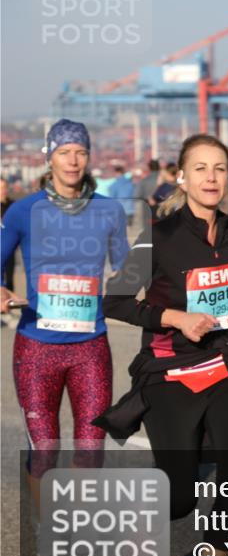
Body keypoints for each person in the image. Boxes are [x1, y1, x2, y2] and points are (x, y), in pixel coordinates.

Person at [94, 134, 228, 556]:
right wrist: (173, 318)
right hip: (170, 370)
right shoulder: (161, 234)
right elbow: (113, 300)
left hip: (224, 366)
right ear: (182, 177)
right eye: (200, 169)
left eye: (219, 168)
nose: (211, 177)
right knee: (180, 495)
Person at [0, 119, 129, 511]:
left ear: (89, 157)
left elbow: (125, 269)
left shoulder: (110, 210)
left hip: (90, 347)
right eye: (64, 152)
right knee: (45, 451)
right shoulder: (24, 211)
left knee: (91, 449)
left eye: (80, 152)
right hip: (37, 347)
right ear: (50, 157)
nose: (73, 161)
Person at [108, 162, 137, 227]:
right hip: (130, 210)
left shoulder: (114, 185)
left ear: (117, 173)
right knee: (130, 231)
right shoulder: (130, 184)